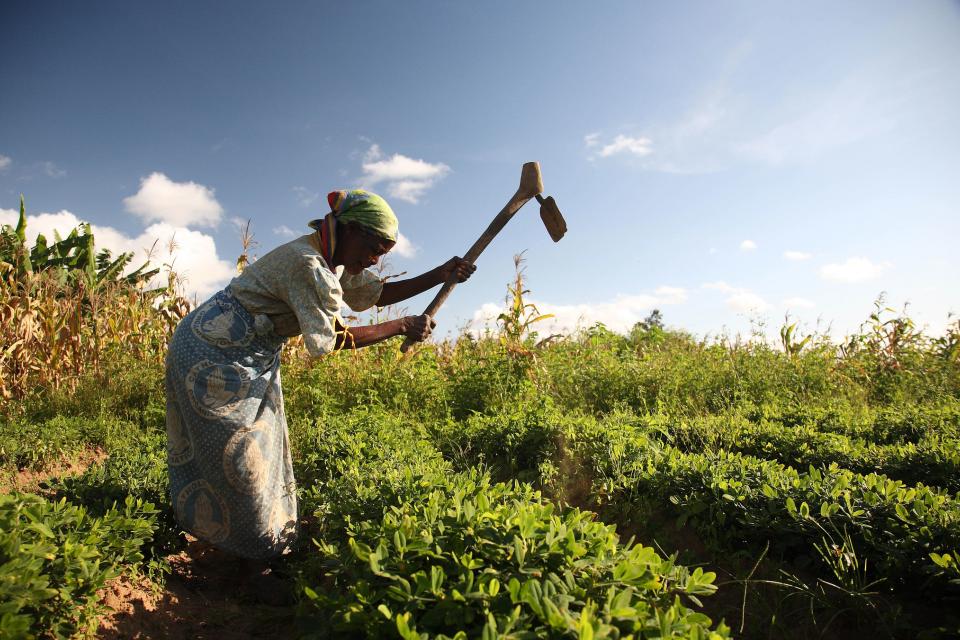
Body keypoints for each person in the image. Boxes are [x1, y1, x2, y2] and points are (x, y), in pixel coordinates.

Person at [164, 189, 474, 589]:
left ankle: (255, 549)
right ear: (348, 230)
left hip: (249, 353)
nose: (376, 259)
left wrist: (440, 275)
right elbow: (332, 341)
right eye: (373, 247)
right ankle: (251, 570)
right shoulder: (309, 264)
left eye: (384, 252)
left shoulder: (333, 260)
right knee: (243, 457)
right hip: (213, 352)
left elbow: (374, 295)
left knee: (263, 451)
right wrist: (401, 325)